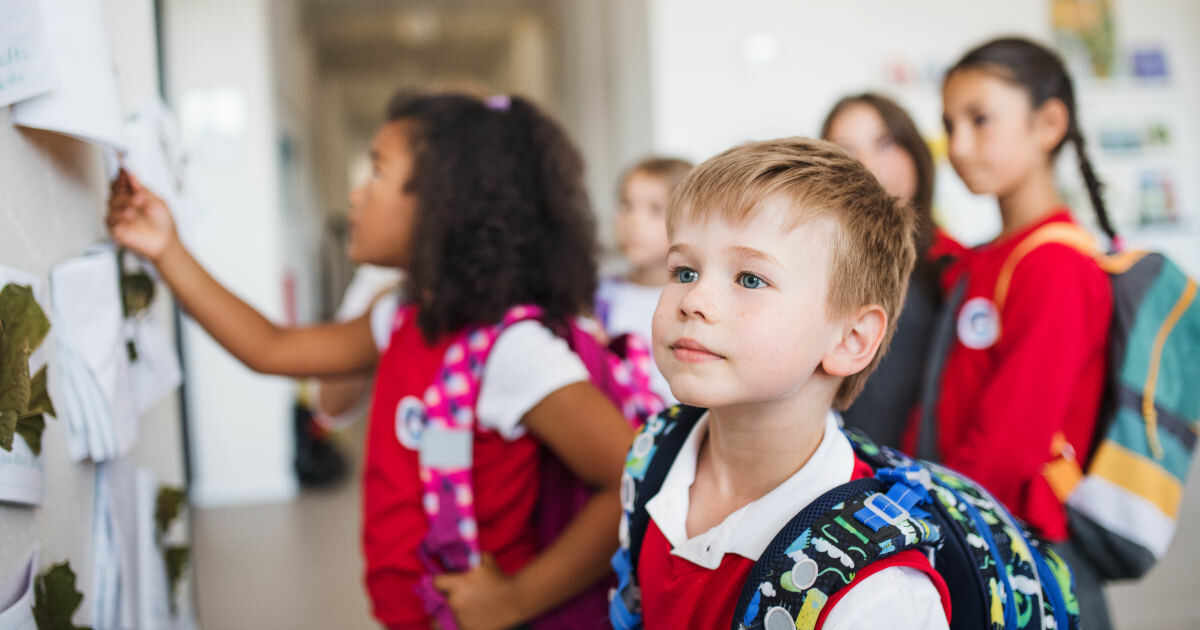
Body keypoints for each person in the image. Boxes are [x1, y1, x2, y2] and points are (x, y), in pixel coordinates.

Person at [107, 91, 633, 630]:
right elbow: (270, 348)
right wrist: (166, 248)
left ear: (443, 204)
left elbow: (628, 478)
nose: (356, 195)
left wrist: (515, 599)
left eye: (377, 171)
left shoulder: (512, 350)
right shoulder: (400, 317)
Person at [623, 137, 948, 628]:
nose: (694, 300)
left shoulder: (876, 593)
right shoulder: (654, 453)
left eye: (750, 279)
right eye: (685, 270)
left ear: (850, 339)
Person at [909, 36, 1115, 629]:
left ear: (1049, 123)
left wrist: (918, 522)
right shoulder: (991, 257)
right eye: (951, 124)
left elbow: (1010, 445)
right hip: (976, 532)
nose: (960, 145)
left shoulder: (1055, 264)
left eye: (980, 120)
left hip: (1026, 556)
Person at [820, 93, 965, 447]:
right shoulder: (813, 264)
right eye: (846, 148)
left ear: (914, 151)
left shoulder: (956, 265)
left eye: (884, 143)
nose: (866, 162)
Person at [595, 156, 693, 403]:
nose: (633, 222)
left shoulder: (695, 299)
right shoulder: (600, 296)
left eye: (655, 210)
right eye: (626, 206)